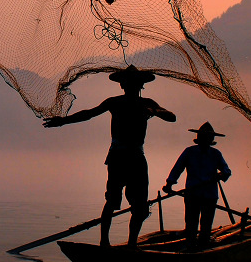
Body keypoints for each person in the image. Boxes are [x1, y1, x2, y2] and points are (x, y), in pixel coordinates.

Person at [43, 65, 176, 248]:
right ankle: (104, 242)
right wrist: (62, 121)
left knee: (139, 206)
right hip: (118, 157)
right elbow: (89, 114)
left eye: (134, 83)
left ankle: (131, 244)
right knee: (112, 201)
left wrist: (156, 112)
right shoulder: (115, 102)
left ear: (140, 85)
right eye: (127, 83)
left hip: (136, 157)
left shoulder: (147, 103)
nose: (130, 86)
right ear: (122, 85)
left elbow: (171, 117)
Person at [162, 122, 231, 249]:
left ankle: (202, 247)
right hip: (192, 194)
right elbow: (177, 169)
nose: (206, 140)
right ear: (199, 138)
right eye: (203, 137)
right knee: (191, 224)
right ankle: (190, 246)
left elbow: (227, 171)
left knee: (206, 225)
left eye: (208, 138)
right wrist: (169, 184)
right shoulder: (189, 152)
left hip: (209, 196)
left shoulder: (216, 154)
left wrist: (221, 175)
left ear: (211, 140)